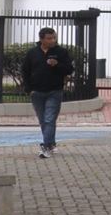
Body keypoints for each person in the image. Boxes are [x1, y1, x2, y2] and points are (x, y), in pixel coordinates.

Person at [21, 27, 73, 158]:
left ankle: (46, 146)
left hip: (54, 91)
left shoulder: (61, 52)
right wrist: (29, 89)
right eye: (49, 38)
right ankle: (51, 143)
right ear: (41, 39)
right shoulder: (33, 53)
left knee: (49, 119)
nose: (52, 40)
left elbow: (69, 69)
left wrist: (57, 64)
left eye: (54, 37)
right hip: (37, 92)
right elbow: (25, 71)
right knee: (43, 120)